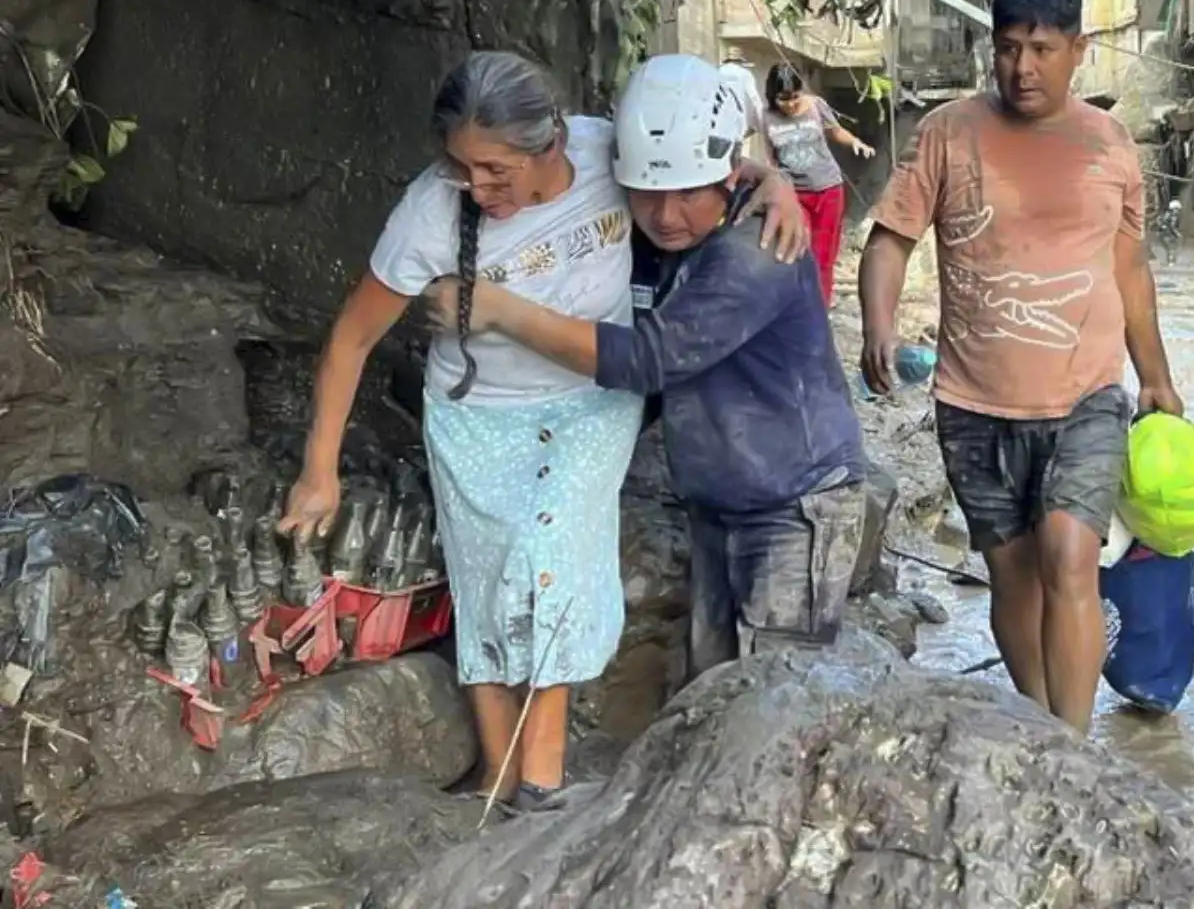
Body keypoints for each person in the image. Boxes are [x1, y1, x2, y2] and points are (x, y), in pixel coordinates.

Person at [280, 51, 808, 811]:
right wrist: (318, 471)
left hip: (591, 404)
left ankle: (544, 782)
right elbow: (350, 340)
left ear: (553, 141)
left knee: (547, 567)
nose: (478, 187)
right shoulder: (431, 213)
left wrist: (777, 181)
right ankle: (500, 776)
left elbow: (704, 165)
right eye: (463, 167)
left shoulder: (604, 149)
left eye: (496, 169)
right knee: (488, 589)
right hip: (476, 416)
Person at [424, 54, 869, 682]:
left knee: (774, 697)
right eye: (648, 195)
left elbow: (648, 358)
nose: (665, 216)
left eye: (687, 194)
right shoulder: (660, 235)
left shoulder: (756, 250)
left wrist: (495, 309)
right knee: (711, 687)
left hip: (795, 499)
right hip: (718, 499)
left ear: (722, 178)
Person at [859, 0, 1183, 732]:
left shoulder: (1109, 143)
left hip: (1086, 398)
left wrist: (1157, 379)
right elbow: (891, 238)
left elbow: (1130, 269)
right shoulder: (948, 132)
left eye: (1041, 49)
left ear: (1078, 49)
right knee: (1012, 575)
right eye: (1007, 49)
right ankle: (1039, 726)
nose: (1022, 68)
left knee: (1071, 557)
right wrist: (879, 323)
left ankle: (1072, 744)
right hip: (973, 402)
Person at [764, 62, 874, 304]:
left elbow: (834, 131)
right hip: (794, 195)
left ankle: (819, 307)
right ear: (772, 97)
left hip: (828, 190)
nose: (791, 104)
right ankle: (797, 303)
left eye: (795, 97)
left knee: (823, 255)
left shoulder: (815, 106)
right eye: (783, 99)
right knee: (797, 250)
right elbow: (770, 158)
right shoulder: (767, 118)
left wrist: (856, 142)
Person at [718, 46, 768, 165]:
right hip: (738, 119)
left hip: (720, 119)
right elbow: (754, 97)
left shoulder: (718, 71)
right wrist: (761, 121)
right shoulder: (745, 74)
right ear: (739, 60)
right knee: (740, 153)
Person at [1155, 196, 1183, 265]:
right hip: (1166, 234)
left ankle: (1169, 261)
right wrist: (1177, 233)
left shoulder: (1166, 214)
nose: (1178, 211)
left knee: (1169, 248)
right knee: (1171, 248)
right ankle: (1171, 262)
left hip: (1161, 234)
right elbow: (1172, 226)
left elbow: (1158, 219)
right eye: (1177, 209)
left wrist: (1162, 226)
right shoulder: (1173, 216)